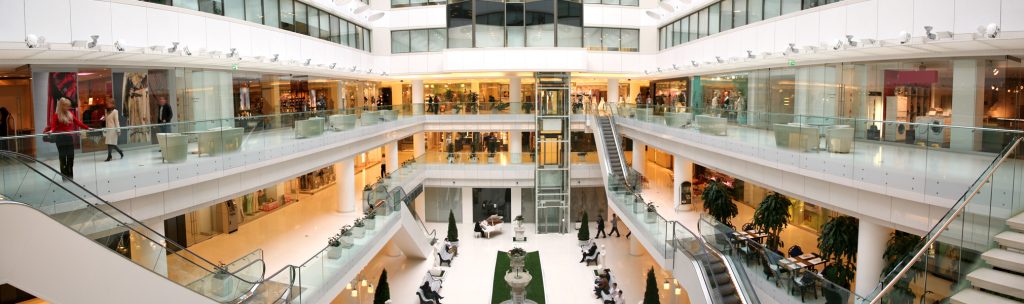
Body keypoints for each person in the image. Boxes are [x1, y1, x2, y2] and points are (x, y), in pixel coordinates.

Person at [44, 98, 91, 179]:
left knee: (70, 157)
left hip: (68, 138)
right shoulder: (56, 115)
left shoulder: (70, 114)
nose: (68, 107)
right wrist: (51, 131)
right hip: (60, 138)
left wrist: (87, 128)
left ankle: (70, 176)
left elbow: (78, 122)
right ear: (62, 106)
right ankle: (64, 177)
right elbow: (53, 126)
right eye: (67, 106)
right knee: (62, 158)